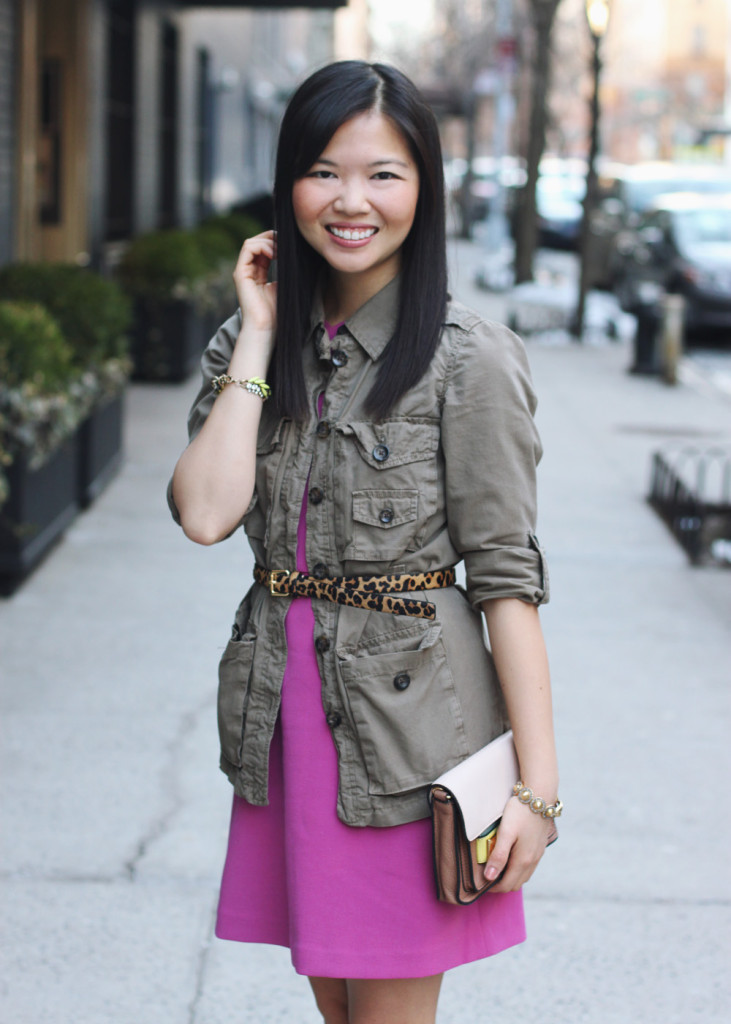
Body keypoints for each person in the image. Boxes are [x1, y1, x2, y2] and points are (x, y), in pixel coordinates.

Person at [169, 60, 559, 1024]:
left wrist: (537, 792)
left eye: (383, 174)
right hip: (287, 717)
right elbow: (205, 513)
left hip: (411, 733)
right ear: (287, 183)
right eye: (323, 171)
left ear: (422, 189)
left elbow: (506, 580)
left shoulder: (464, 358)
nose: (351, 201)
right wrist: (260, 335)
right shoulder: (250, 342)